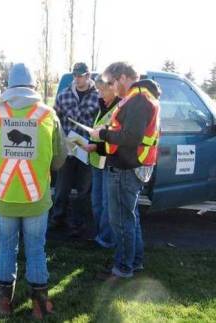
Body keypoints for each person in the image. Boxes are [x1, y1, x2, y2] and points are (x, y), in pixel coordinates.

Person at [0, 63, 67, 319]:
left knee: (6, 247)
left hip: (3, 196)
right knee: (37, 248)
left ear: (7, 85)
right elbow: (59, 159)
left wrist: (2, 160)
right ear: (34, 86)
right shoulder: (48, 114)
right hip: (36, 196)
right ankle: (39, 304)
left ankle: (5, 302)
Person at [90, 62, 161, 279]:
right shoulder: (142, 96)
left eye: (111, 82)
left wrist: (103, 134)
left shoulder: (138, 100)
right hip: (131, 165)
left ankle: (122, 267)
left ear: (122, 78)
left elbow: (131, 137)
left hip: (126, 167)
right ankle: (134, 261)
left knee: (121, 220)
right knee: (130, 218)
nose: (110, 86)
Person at [49, 62, 99, 237]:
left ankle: (78, 223)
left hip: (88, 148)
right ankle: (57, 219)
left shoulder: (98, 97)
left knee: (84, 190)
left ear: (88, 75)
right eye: (75, 75)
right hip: (68, 148)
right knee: (62, 187)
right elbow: (55, 121)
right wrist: (60, 141)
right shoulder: (63, 96)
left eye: (81, 75)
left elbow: (101, 124)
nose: (78, 78)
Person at [83, 76, 120, 248]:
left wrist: (95, 147)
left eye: (102, 90)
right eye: (97, 90)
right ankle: (100, 234)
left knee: (106, 203)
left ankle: (106, 239)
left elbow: (118, 141)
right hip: (97, 161)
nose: (99, 94)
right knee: (96, 201)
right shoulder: (102, 106)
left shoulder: (119, 108)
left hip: (109, 162)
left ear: (113, 87)